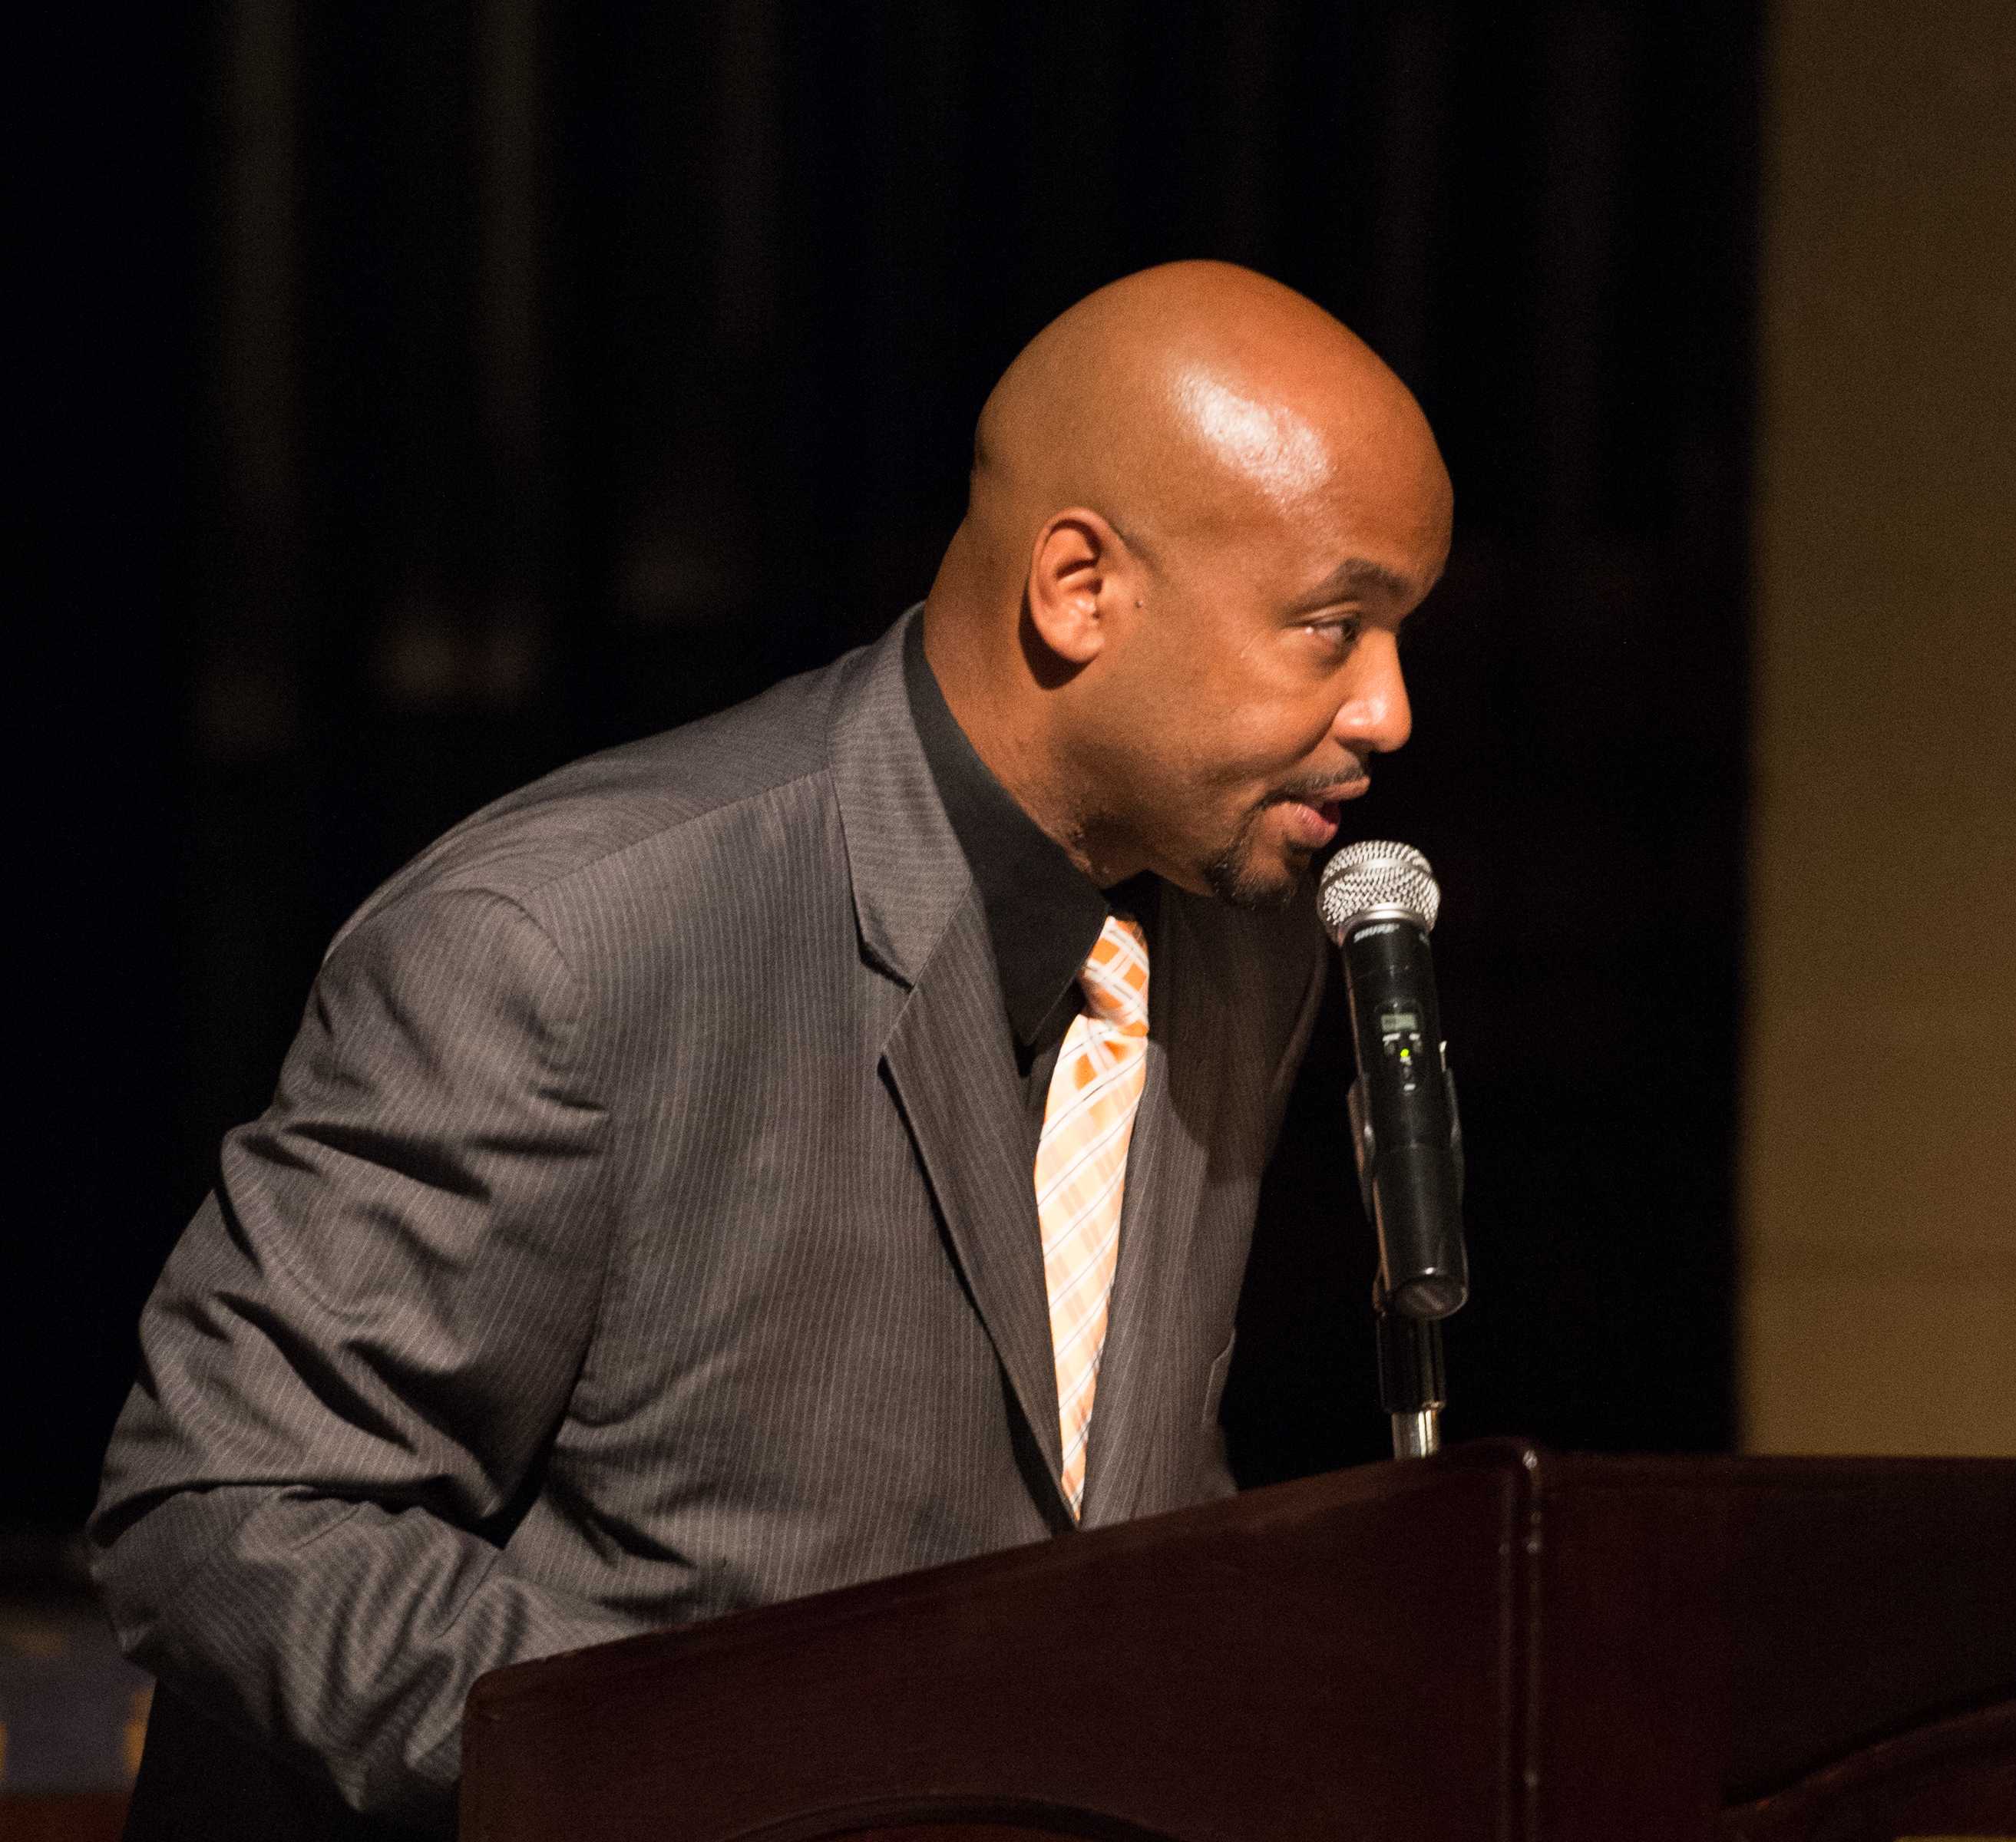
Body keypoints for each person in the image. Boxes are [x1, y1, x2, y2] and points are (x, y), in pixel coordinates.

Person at [91, 260, 1454, 1837]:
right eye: (1335, 628)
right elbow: (233, 1509)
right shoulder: (565, 934)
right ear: (1081, 588)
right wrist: (757, 1779)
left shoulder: (1241, 940)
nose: (1391, 710)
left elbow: (1083, 1482)